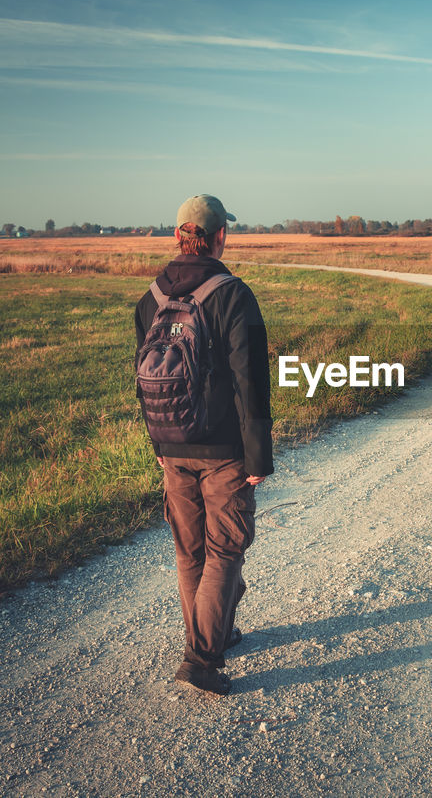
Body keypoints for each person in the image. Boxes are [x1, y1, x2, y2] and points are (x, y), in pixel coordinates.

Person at [134, 194, 273, 695]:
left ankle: (216, 632)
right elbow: (251, 381)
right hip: (223, 449)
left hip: (170, 443)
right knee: (225, 549)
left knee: (190, 550)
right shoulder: (233, 294)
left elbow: (141, 374)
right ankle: (202, 658)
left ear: (177, 236)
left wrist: (157, 442)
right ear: (219, 237)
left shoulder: (150, 296)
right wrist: (259, 454)